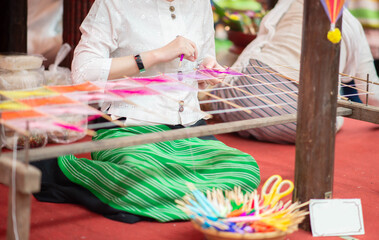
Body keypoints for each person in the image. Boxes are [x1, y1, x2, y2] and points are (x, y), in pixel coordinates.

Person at [32, 0, 260, 223]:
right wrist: (157, 55)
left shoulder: (199, 4)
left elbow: (202, 57)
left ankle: (153, 196)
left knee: (245, 171)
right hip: (129, 127)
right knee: (141, 182)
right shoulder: (114, 4)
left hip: (189, 128)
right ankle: (65, 171)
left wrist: (207, 68)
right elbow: (82, 72)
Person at [212, 0, 379, 144]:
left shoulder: (289, 3)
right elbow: (372, 97)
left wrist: (223, 84)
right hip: (305, 126)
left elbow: (253, 50)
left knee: (224, 93)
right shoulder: (354, 26)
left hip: (239, 103)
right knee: (331, 119)